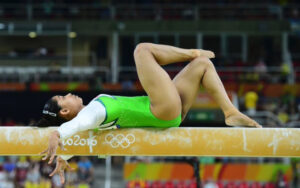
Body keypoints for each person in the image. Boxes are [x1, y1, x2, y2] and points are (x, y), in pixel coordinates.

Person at [37, 43, 261, 183]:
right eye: (62, 97)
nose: (68, 93)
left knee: (202, 64)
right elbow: (76, 126)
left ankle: (230, 111)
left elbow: (79, 134)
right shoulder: (93, 113)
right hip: (161, 109)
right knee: (142, 50)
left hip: (169, 111)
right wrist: (57, 134)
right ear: (65, 110)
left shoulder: (92, 114)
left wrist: (65, 156)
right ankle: (192, 52)